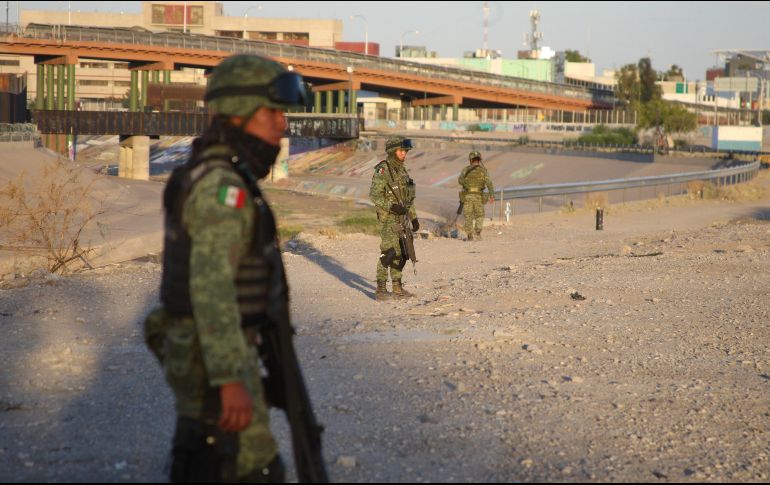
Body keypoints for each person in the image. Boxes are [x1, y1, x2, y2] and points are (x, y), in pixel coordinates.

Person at [143, 54, 326, 483]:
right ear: (239, 114)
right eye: (272, 113)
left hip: (213, 349)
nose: (282, 124)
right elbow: (212, 288)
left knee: (213, 452)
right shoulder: (221, 188)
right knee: (246, 464)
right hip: (211, 357)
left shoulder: (220, 175)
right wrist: (228, 378)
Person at [369, 135, 418, 301]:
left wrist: (414, 218)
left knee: (403, 252)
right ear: (392, 151)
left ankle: (397, 287)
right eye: (400, 151)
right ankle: (381, 289)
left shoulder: (402, 171)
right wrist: (391, 207)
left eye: (405, 151)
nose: (404, 154)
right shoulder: (383, 170)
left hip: (402, 219)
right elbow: (374, 195)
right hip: (389, 218)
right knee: (389, 252)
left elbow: (407, 198)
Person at [458, 150, 495, 241]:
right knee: (480, 215)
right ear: (479, 160)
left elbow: (460, 180)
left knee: (468, 216)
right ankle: (477, 233)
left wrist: (466, 184)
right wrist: (492, 195)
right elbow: (489, 183)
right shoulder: (483, 171)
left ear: (470, 160)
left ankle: (470, 235)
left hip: (468, 196)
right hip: (478, 196)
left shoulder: (466, 170)